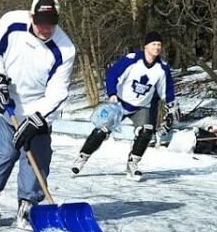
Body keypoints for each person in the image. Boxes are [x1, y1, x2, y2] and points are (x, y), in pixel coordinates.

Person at [0, 0, 76, 228]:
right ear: (31, 16)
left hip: (38, 108)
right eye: (41, 22)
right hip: (6, 97)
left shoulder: (65, 48)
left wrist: (37, 117)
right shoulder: (11, 22)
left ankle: (29, 204)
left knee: (37, 159)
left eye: (51, 22)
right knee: (4, 152)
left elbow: (58, 90)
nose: (46, 28)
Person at [70, 31, 177, 182]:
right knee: (101, 131)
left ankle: (132, 164)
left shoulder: (162, 68)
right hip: (119, 103)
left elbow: (167, 90)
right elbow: (112, 73)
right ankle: (82, 158)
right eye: (153, 44)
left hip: (141, 106)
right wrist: (112, 93)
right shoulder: (132, 61)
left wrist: (171, 108)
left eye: (159, 44)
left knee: (146, 132)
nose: (157, 47)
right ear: (145, 46)